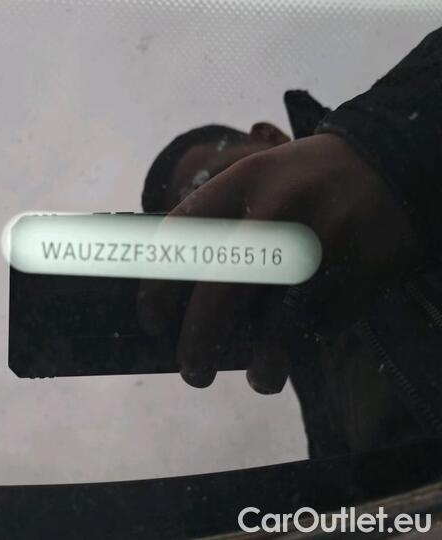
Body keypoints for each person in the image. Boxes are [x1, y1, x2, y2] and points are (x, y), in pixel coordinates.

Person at [138, 27, 442, 459]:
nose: (232, 238)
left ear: (269, 137)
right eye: (203, 245)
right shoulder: (316, 383)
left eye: (214, 185)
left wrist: (387, 148)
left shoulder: (400, 150)